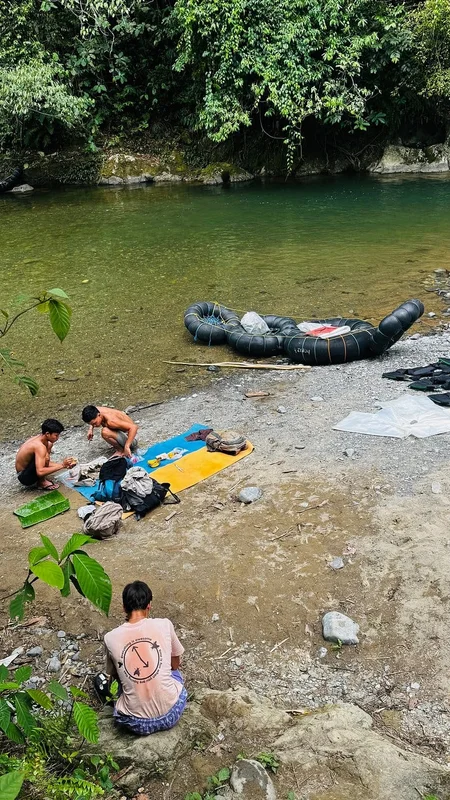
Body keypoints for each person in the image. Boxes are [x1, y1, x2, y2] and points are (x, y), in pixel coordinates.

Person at [104, 581, 187, 735]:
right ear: (149, 605)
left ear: (123, 608)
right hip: (173, 712)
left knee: (117, 685)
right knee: (175, 675)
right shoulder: (165, 625)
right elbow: (175, 665)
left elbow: (115, 675)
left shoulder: (110, 638)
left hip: (136, 723)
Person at [15, 419, 76, 490]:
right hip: (24, 477)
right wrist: (62, 465)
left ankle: (41, 480)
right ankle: (41, 482)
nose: (57, 438)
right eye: (56, 435)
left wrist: (66, 465)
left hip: (27, 469)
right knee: (46, 457)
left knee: (49, 447)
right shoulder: (39, 446)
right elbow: (40, 472)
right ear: (47, 434)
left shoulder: (42, 439)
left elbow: (44, 462)